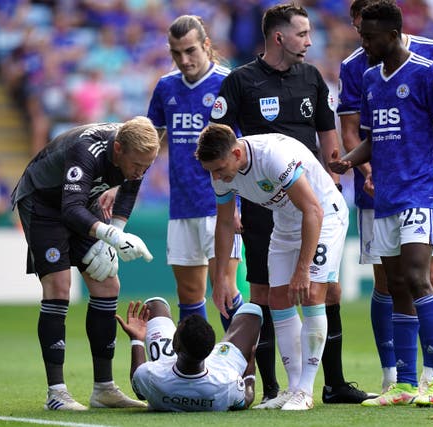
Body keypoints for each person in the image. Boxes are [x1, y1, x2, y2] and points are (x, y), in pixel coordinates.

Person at [210, 3, 371, 405]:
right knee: (269, 294)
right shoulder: (241, 81)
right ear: (279, 37)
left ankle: (322, 384)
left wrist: (332, 177)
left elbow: (325, 135)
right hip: (266, 204)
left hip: (310, 200)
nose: (310, 41)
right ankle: (275, 388)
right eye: (303, 34)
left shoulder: (312, 78)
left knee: (320, 290)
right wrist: (222, 274)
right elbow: (218, 142)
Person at [337, 0, 433, 394]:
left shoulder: (427, 71)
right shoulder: (369, 78)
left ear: (393, 35)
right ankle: (404, 383)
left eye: (369, 36)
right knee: (396, 283)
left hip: (419, 192)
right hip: (386, 199)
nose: (363, 43)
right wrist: (348, 162)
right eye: (360, 35)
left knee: (418, 277)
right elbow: (373, 138)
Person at [196, 124, 349, 411]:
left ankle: (305, 390)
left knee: (313, 294)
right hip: (286, 223)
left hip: (324, 217)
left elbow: (313, 210)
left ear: (237, 153)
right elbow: (226, 223)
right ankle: (292, 389)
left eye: (218, 168)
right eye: (211, 171)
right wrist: (219, 279)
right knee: (277, 299)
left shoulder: (272, 157)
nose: (216, 177)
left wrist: (303, 269)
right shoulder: (221, 172)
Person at [11, 117, 159, 411]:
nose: (141, 172)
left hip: (80, 201)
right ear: (118, 149)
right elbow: (69, 210)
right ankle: (56, 392)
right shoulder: (87, 149)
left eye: (147, 167)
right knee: (59, 285)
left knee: (107, 282)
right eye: (137, 165)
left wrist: (112, 237)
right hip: (43, 201)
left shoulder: (137, 151)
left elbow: (128, 189)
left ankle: (104, 389)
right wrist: (111, 236)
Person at [146, 15, 243, 329]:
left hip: (222, 205)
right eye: (176, 53)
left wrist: (244, 200)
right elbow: (150, 142)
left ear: (206, 45)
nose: (183, 59)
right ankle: (194, 370)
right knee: (188, 294)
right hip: (182, 205)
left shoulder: (229, 83)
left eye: (190, 51)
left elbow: (246, 147)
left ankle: (243, 374)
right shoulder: (166, 87)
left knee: (225, 290)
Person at [114, 297, 262, 411]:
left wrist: (137, 340)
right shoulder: (229, 382)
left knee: (155, 305)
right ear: (211, 351)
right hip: (219, 367)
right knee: (253, 312)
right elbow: (246, 399)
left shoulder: (150, 374)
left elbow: (139, 390)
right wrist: (250, 375)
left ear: (175, 346)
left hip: (168, 368)